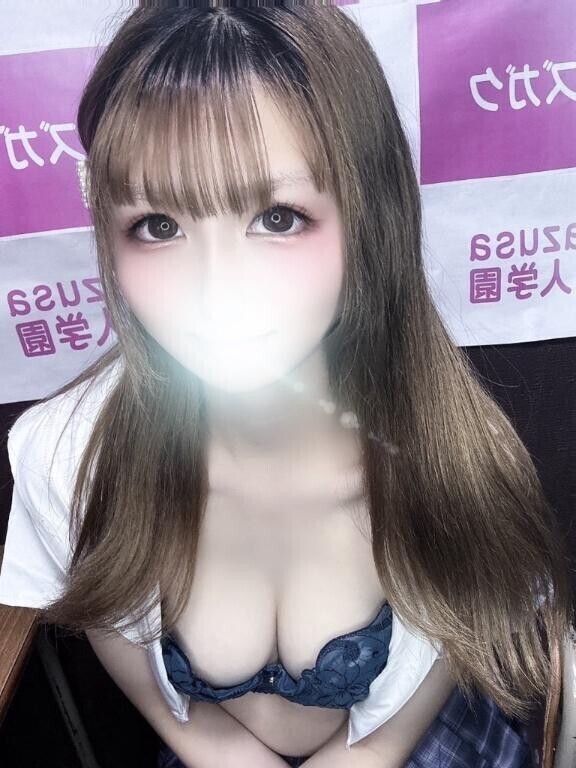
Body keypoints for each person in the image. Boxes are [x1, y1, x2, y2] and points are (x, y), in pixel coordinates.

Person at [0, 4, 572, 767]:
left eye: (277, 217)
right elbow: (155, 685)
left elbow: (394, 732)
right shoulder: (67, 461)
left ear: (368, 216)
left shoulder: (450, 458)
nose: (214, 288)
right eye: (159, 226)